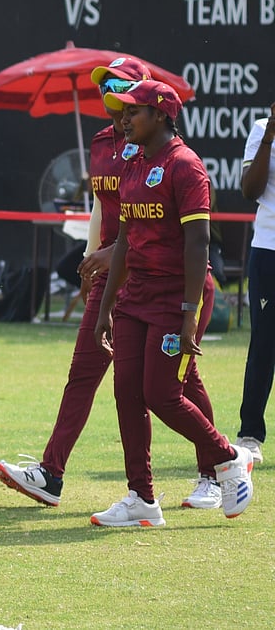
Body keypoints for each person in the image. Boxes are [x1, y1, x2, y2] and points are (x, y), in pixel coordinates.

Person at [0, 59, 222, 511]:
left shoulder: (168, 154)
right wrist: (92, 261)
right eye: (105, 87)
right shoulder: (103, 143)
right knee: (87, 371)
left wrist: (117, 259)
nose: (110, 96)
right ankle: (54, 474)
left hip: (159, 277)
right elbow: (107, 210)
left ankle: (216, 471)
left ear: (148, 100)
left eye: (121, 88)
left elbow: (175, 235)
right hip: (116, 271)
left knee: (177, 384)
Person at [91, 80, 255, 527]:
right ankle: (141, 499)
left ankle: (228, 460)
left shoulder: (186, 167)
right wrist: (105, 307)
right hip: (135, 295)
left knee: (162, 394)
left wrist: (188, 314)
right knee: (126, 392)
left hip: (175, 296)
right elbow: (124, 241)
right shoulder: (132, 163)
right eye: (123, 112)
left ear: (162, 114)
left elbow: (198, 243)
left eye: (134, 112)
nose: (124, 119)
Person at [236, 103, 275, 465]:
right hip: (269, 250)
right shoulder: (263, 129)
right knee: (264, 344)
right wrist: (270, 135)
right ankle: (250, 435)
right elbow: (250, 190)